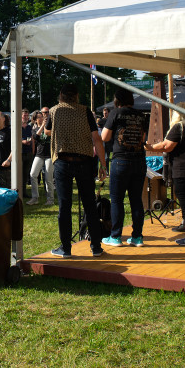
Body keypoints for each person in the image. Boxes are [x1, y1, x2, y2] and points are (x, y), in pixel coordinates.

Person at [44, 84, 107, 258]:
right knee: (90, 205)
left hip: (63, 161)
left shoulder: (54, 111)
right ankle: (96, 247)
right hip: (84, 162)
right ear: (77, 96)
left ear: (61, 95)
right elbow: (96, 139)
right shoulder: (85, 111)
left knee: (64, 206)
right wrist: (103, 164)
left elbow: (47, 131)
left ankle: (66, 248)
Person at [149, 102, 185, 232]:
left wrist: (149, 147)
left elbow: (166, 146)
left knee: (183, 195)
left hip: (183, 168)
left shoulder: (179, 127)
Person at [100, 89, 148, 247]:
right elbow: (143, 138)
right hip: (139, 160)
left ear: (117, 100)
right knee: (136, 200)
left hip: (121, 160)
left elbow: (104, 137)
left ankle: (115, 236)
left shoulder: (116, 113)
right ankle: (137, 237)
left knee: (117, 200)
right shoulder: (141, 115)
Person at [27, 111, 55, 205]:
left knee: (48, 178)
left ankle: (50, 199)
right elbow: (35, 137)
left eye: (41, 116)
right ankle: (35, 198)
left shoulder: (49, 127)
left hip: (49, 155)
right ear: (35, 120)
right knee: (33, 174)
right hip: (39, 155)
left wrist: (46, 126)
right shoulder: (34, 129)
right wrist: (42, 126)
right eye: (38, 117)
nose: (41, 118)